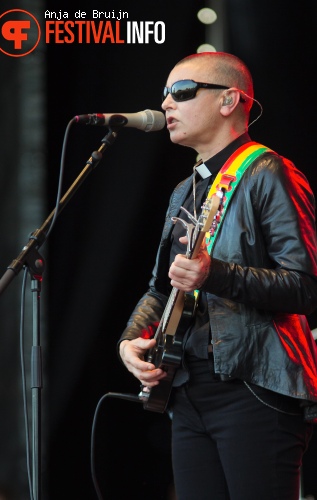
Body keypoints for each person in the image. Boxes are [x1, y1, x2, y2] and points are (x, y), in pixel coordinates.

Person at [118, 51, 317, 500]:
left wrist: (215, 275)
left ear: (229, 100)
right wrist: (130, 339)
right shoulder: (183, 191)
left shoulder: (271, 174)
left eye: (181, 92)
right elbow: (162, 289)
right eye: (164, 95)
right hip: (188, 391)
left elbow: (305, 288)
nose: (166, 104)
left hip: (254, 386)